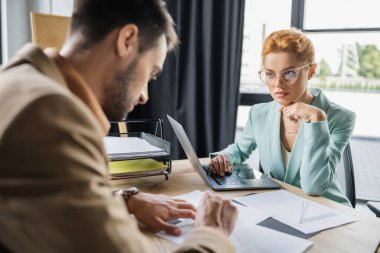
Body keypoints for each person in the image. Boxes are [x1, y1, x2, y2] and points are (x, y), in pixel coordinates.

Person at [0, 0, 238, 252]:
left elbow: (43, 198)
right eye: (152, 73)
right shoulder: (53, 118)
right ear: (127, 39)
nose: (145, 95)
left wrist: (126, 199)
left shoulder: (17, 81)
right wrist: (212, 232)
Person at [209, 28, 356, 207]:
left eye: (289, 73)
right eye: (270, 74)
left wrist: (317, 120)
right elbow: (240, 150)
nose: (278, 83)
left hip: (329, 211)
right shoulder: (259, 113)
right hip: (278, 207)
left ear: (311, 71)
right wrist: (222, 158)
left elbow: (314, 186)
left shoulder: (340, 118)